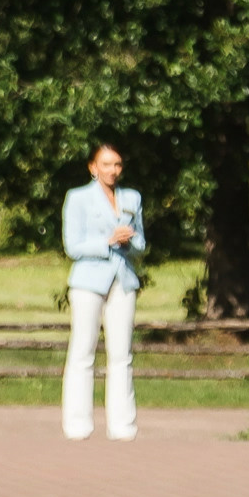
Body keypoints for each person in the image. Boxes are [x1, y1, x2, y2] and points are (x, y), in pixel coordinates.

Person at [59, 144, 144, 440]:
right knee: (83, 351)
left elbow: (142, 244)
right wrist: (108, 241)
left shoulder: (132, 198)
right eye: (106, 164)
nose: (113, 170)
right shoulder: (78, 198)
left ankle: (123, 426)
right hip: (88, 282)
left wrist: (128, 241)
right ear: (93, 168)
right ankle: (77, 425)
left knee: (121, 355)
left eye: (117, 164)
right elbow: (72, 246)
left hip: (123, 280)